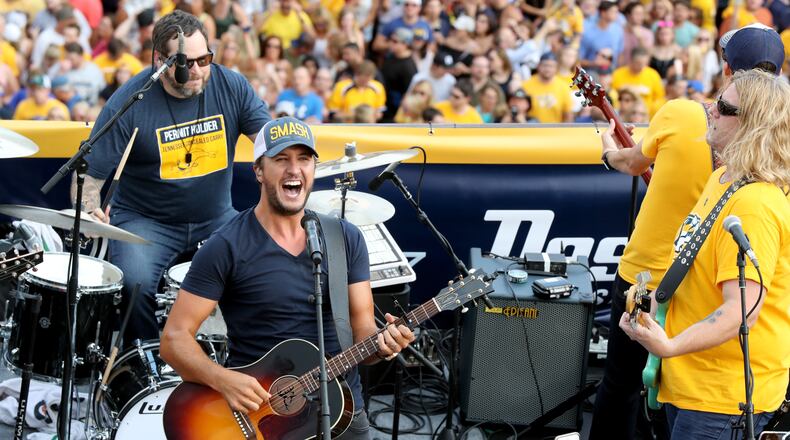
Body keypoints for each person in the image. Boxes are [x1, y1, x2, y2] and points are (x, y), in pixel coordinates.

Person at [160, 117, 415, 438]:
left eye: (304, 159)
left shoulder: (344, 238)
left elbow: (363, 331)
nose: (294, 169)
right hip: (260, 416)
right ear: (258, 170)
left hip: (342, 409)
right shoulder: (225, 245)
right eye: (281, 159)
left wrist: (384, 345)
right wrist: (221, 379)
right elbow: (174, 340)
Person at [589, 24, 786, 440]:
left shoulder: (753, 198)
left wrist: (607, 152)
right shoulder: (727, 177)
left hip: (715, 383)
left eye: (722, 106)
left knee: (619, 389)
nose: (711, 111)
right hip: (694, 347)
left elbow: (739, 310)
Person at [73, 10, 271, 343]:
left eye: (204, 59)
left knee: (263, 272)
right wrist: (89, 206)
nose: (196, 70)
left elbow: (269, 141)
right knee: (133, 284)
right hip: (147, 221)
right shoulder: (130, 100)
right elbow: (89, 178)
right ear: (160, 60)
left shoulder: (231, 85)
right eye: (184, 62)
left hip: (216, 217)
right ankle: (149, 361)